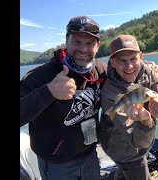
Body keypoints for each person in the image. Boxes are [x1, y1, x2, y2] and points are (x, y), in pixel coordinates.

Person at [20, 15, 107, 180]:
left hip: (90, 155)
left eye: (89, 43)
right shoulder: (41, 75)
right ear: (66, 40)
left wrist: (146, 70)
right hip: (56, 165)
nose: (83, 49)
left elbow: (125, 77)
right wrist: (48, 92)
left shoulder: (101, 70)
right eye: (77, 41)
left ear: (97, 46)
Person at [99, 34, 158, 180]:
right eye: (122, 60)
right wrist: (146, 122)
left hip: (141, 145)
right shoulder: (109, 92)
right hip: (125, 151)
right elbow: (137, 142)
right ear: (113, 62)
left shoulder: (149, 71)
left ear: (140, 56)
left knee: (123, 175)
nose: (129, 66)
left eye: (133, 59)